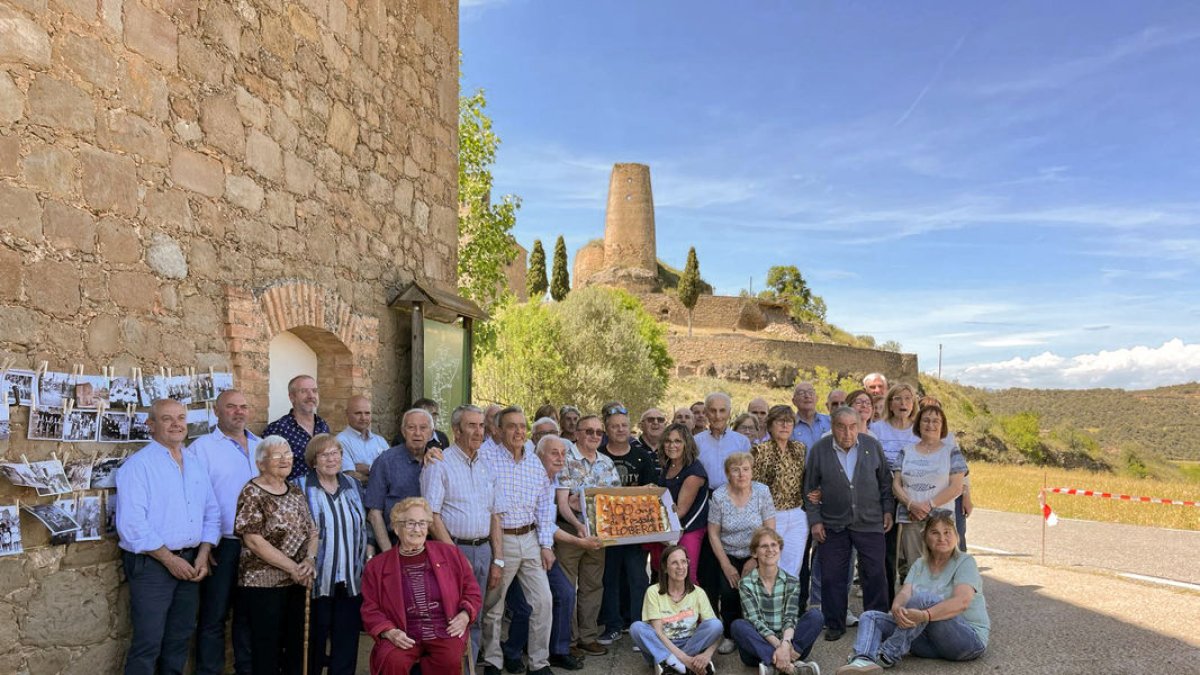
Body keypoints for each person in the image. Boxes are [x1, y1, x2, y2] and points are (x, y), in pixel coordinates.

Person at [116, 399, 220, 675]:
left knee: (179, 640)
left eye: (181, 418)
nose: (177, 424)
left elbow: (212, 512)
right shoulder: (138, 466)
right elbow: (132, 524)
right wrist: (169, 560)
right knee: (148, 643)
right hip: (153, 565)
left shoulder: (196, 464)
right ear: (151, 425)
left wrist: (203, 554)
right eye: (167, 419)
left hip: (191, 562)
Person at [836, 513, 988, 673]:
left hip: (966, 641)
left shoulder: (965, 561)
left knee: (923, 599)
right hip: (929, 642)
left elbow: (962, 602)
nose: (942, 538)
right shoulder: (919, 564)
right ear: (925, 538)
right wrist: (897, 608)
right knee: (870, 616)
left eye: (947, 532)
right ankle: (862, 661)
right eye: (935, 532)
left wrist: (925, 616)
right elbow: (904, 593)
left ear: (956, 536)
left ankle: (888, 654)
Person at [505, 434, 599, 671]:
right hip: (517, 546)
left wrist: (577, 526)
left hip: (541, 549)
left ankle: (558, 650)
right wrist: (579, 542)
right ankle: (513, 652)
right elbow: (543, 524)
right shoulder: (530, 475)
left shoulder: (554, 479)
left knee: (565, 593)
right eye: (554, 453)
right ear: (539, 454)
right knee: (525, 606)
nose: (560, 458)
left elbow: (549, 521)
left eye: (563, 453)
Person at [360, 497, 482, 674]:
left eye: (422, 523)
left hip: (444, 628)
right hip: (402, 631)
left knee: (448, 659)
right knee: (392, 660)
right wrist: (389, 631)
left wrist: (464, 615)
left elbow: (472, 591)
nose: (417, 529)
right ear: (396, 527)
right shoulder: (377, 566)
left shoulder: (450, 554)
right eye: (410, 523)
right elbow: (370, 608)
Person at [480, 406, 558, 675]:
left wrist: (546, 545)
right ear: (499, 430)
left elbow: (545, 505)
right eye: (512, 426)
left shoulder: (534, 461)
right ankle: (492, 660)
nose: (518, 431)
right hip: (503, 540)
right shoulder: (487, 457)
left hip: (531, 539)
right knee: (494, 605)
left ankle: (539, 663)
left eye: (522, 426)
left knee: (543, 601)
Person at [419, 404, 502, 660]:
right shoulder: (439, 464)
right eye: (471, 425)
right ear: (456, 430)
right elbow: (432, 516)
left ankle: (470, 668)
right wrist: (454, 556)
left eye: (481, 425)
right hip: (453, 550)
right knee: (452, 618)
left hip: (484, 550)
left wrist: (498, 558)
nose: (479, 432)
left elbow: (494, 514)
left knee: (474, 616)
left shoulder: (487, 465)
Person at [805, 408, 894, 641]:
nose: (847, 432)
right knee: (832, 575)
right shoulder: (819, 450)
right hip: (833, 523)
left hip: (870, 520)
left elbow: (885, 481)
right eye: (841, 426)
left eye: (852, 426)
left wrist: (887, 510)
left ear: (859, 425)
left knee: (875, 573)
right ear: (832, 427)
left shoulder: (871, 446)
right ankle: (834, 623)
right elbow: (810, 488)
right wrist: (815, 521)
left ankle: (877, 622)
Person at [234, 435, 318, 675]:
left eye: (288, 455)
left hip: (298, 581)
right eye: (277, 455)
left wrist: (309, 561)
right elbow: (253, 540)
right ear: (261, 463)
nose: (285, 460)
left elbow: (312, 531)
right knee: (266, 649)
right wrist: (293, 567)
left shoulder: (294, 491)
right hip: (263, 584)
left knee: (295, 647)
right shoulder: (252, 491)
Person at [192, 390, 259, 675]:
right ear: (217, 411)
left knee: (249, 616)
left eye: (243, 406)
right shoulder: (202, 448)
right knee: (214, 616)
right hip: (223, 544)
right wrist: (206, 547)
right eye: (231, 407)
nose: (238, 412)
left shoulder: (263, 445)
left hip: (258, 547)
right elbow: (195, 498)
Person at [299, 434, 367, 675]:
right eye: (324, 454)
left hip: (350, 577)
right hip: (316, 579)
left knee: (346, 643)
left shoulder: (353, 485)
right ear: (313, 461)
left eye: (335, 453)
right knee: (314, 643)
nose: (331, 459)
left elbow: (364, 525)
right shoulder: (300, 487)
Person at [555, 413, 621, 657]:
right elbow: (563, 504)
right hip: (571, 531)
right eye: (589, 431)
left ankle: (588, 636)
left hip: (598, 533)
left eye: (598, 432)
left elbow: (614, 500)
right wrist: (577, 523)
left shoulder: (606, 462)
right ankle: (568, 641)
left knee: (593, 586)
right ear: (577, 433)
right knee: (567, 587)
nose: (594, 436)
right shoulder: (564, 457)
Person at [598, 403, 658, 645]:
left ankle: (638, 629)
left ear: (630, 427)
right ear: (607, 429)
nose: (620, 430)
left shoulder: (642, 456)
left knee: (638, 579)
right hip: (608, 529)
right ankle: (612, 625)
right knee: (609, 578)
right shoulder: (600, 456)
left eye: (623, 425)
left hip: (635, 530)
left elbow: (652, 492)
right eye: (614, 426)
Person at [707, 452, 776, 655]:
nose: (741, 474)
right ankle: (730, 635)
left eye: (745, 469)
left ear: (752, 471)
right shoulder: (719, 496)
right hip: (728, 552)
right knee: (729, 593)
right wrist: (726, 565)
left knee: (760, 591)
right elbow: (713, 533)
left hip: (759, 552)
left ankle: (760, 633)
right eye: (735, 470)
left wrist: (755, 559)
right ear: (728, 473)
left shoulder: (762, 492)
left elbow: (769, 528)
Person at [730, 527, 823, 675]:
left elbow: (790, 617)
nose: (770, 550)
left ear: (780, 549)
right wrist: (779, 648)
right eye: (764, 546)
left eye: (774, 545)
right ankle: (790, 667)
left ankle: (773, 667)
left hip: (791, 646)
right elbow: (756, 621)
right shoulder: (746, 584)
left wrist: (785, 645)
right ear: (754, 553)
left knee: (816, 616)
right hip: (758, 648)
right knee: (738, 626)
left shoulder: (792, 581)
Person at [893, 405, 966, 581]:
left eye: (936, 421)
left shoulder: (951, 452)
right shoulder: (906, 451)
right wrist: (911, 504)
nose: (930, 424)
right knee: (915, 568)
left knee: (942, 567)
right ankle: (917, 606)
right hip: (911, 518)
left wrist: (928, 506)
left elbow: (956, 487)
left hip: (941, 519)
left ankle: (940, 608)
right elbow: (896, 484)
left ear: (943, 426)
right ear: (918, 424)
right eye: (926, 420)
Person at [630, 546, 723, 675]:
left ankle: (669, 665)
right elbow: (658, 632)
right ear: (664, 568)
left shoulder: (698, 592)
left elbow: (717, 633)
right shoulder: (653, 592)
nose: (681, 567)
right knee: (637, 628)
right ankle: (681, 665)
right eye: (674, 563)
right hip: (660, 644)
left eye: (684, 561)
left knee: (715, 624)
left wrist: (707, 655)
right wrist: (686, 659)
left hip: (690, 642)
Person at [869, 383, 919, 602]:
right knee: (887, 551)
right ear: (889, 403)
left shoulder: (919, 430)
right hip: (884, 496)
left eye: (908, 399)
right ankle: (887, 601)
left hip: (913, 496)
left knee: (913, 553)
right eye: (898, 398)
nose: (903, 403)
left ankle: (916, 600)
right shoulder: (878, 428)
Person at [750, 405, 809, 577]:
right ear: (770, 425)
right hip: (771, 515)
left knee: (794, 567)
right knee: (770, 564)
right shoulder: (760, 450)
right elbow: (755, 487)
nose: (785, 425)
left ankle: (788, 603)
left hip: (797, 513)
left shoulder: (799, 448)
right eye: (779, 421)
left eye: (789, 421)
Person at [366, 408, 430, 551]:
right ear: (403, 431)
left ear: (431, 433)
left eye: (423, 428)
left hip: (430, 545)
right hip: (396, 544)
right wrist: (389, 553)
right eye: (411, 428)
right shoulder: (385, 462)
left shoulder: (437, 462)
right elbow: (375, 514)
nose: (417, 433)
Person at [651, 423, 709, 582]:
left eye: (677, 441)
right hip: (669, 527)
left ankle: (693, 607)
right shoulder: (669, 465)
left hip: (688, 529)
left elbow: (680, 511)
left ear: (687, 444)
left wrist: (651, 507)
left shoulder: (694, 472)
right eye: (668, 441)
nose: (672, 445)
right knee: (665, 575)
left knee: (686, 576)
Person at [264, 374, 329, 480]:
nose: (311, 396)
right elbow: (269, 469)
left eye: (314, 391)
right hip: (294, 493)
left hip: (323, 492)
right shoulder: (277, 429)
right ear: (292, 397)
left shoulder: (323, 425)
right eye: (304, 391)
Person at [336, 395, 389, 486]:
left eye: (367, 413)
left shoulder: (380, 441)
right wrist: (381, 475)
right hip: (358, 498)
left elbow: (392, 471)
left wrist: (369, 469)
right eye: (358, 413)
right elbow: (349, 477)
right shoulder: (340, 442)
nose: (363, 418)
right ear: (347, 414)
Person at [790, 382, 830, 451]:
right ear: (794, 401)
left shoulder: (830, 422)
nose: (807, 396)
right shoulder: (788, 426)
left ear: (817, 398)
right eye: (801, 393)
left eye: (810, 392)